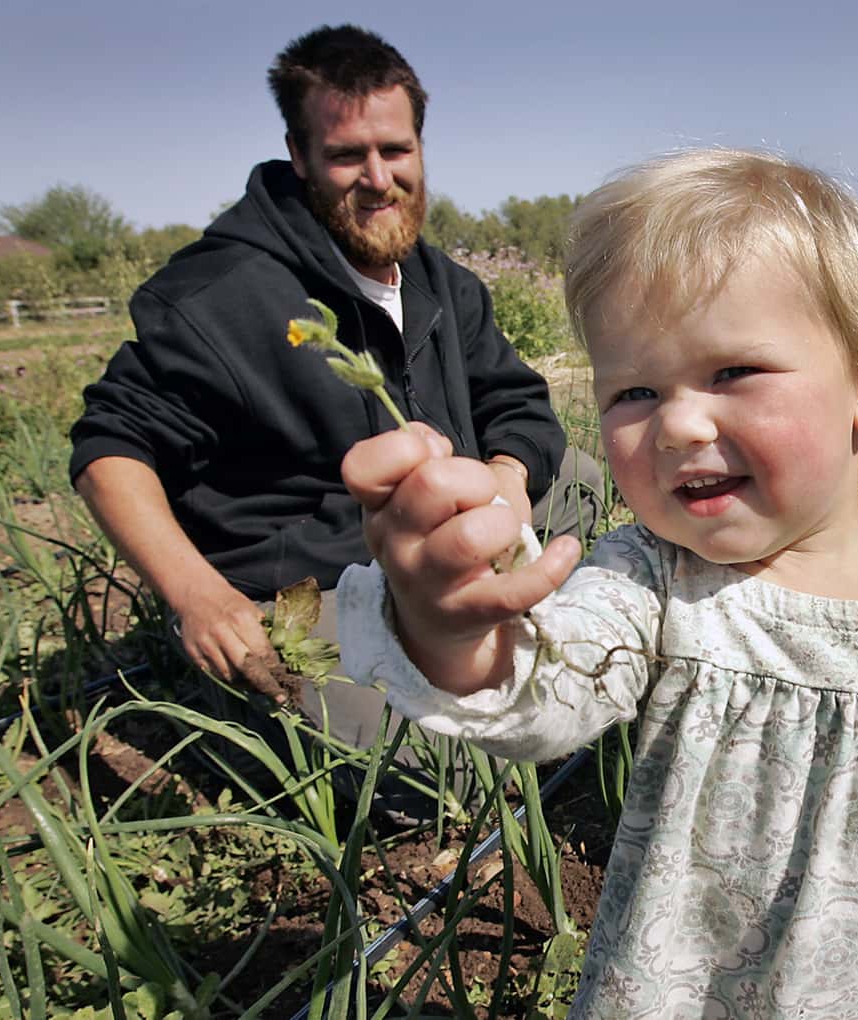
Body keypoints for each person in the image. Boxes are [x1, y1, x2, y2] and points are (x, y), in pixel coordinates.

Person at [335, 149, 858, 1015]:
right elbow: (549, 686)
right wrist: (456, 632)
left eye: (732, 373)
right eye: (633, 390)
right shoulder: (654, 580)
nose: (676, 422)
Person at [68, 25, 599, 748]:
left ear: (420, 146)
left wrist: (506, 477)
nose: (378, 179)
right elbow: (111, 447)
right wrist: (199, 597)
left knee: (577, 475)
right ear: (300, 156)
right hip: (320, 585)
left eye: (396, 151)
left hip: (446, 546)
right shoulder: (220, 297)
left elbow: (515, 401)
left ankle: (497, 619)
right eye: (348, 156)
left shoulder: (443, 283)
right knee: (440, 767)